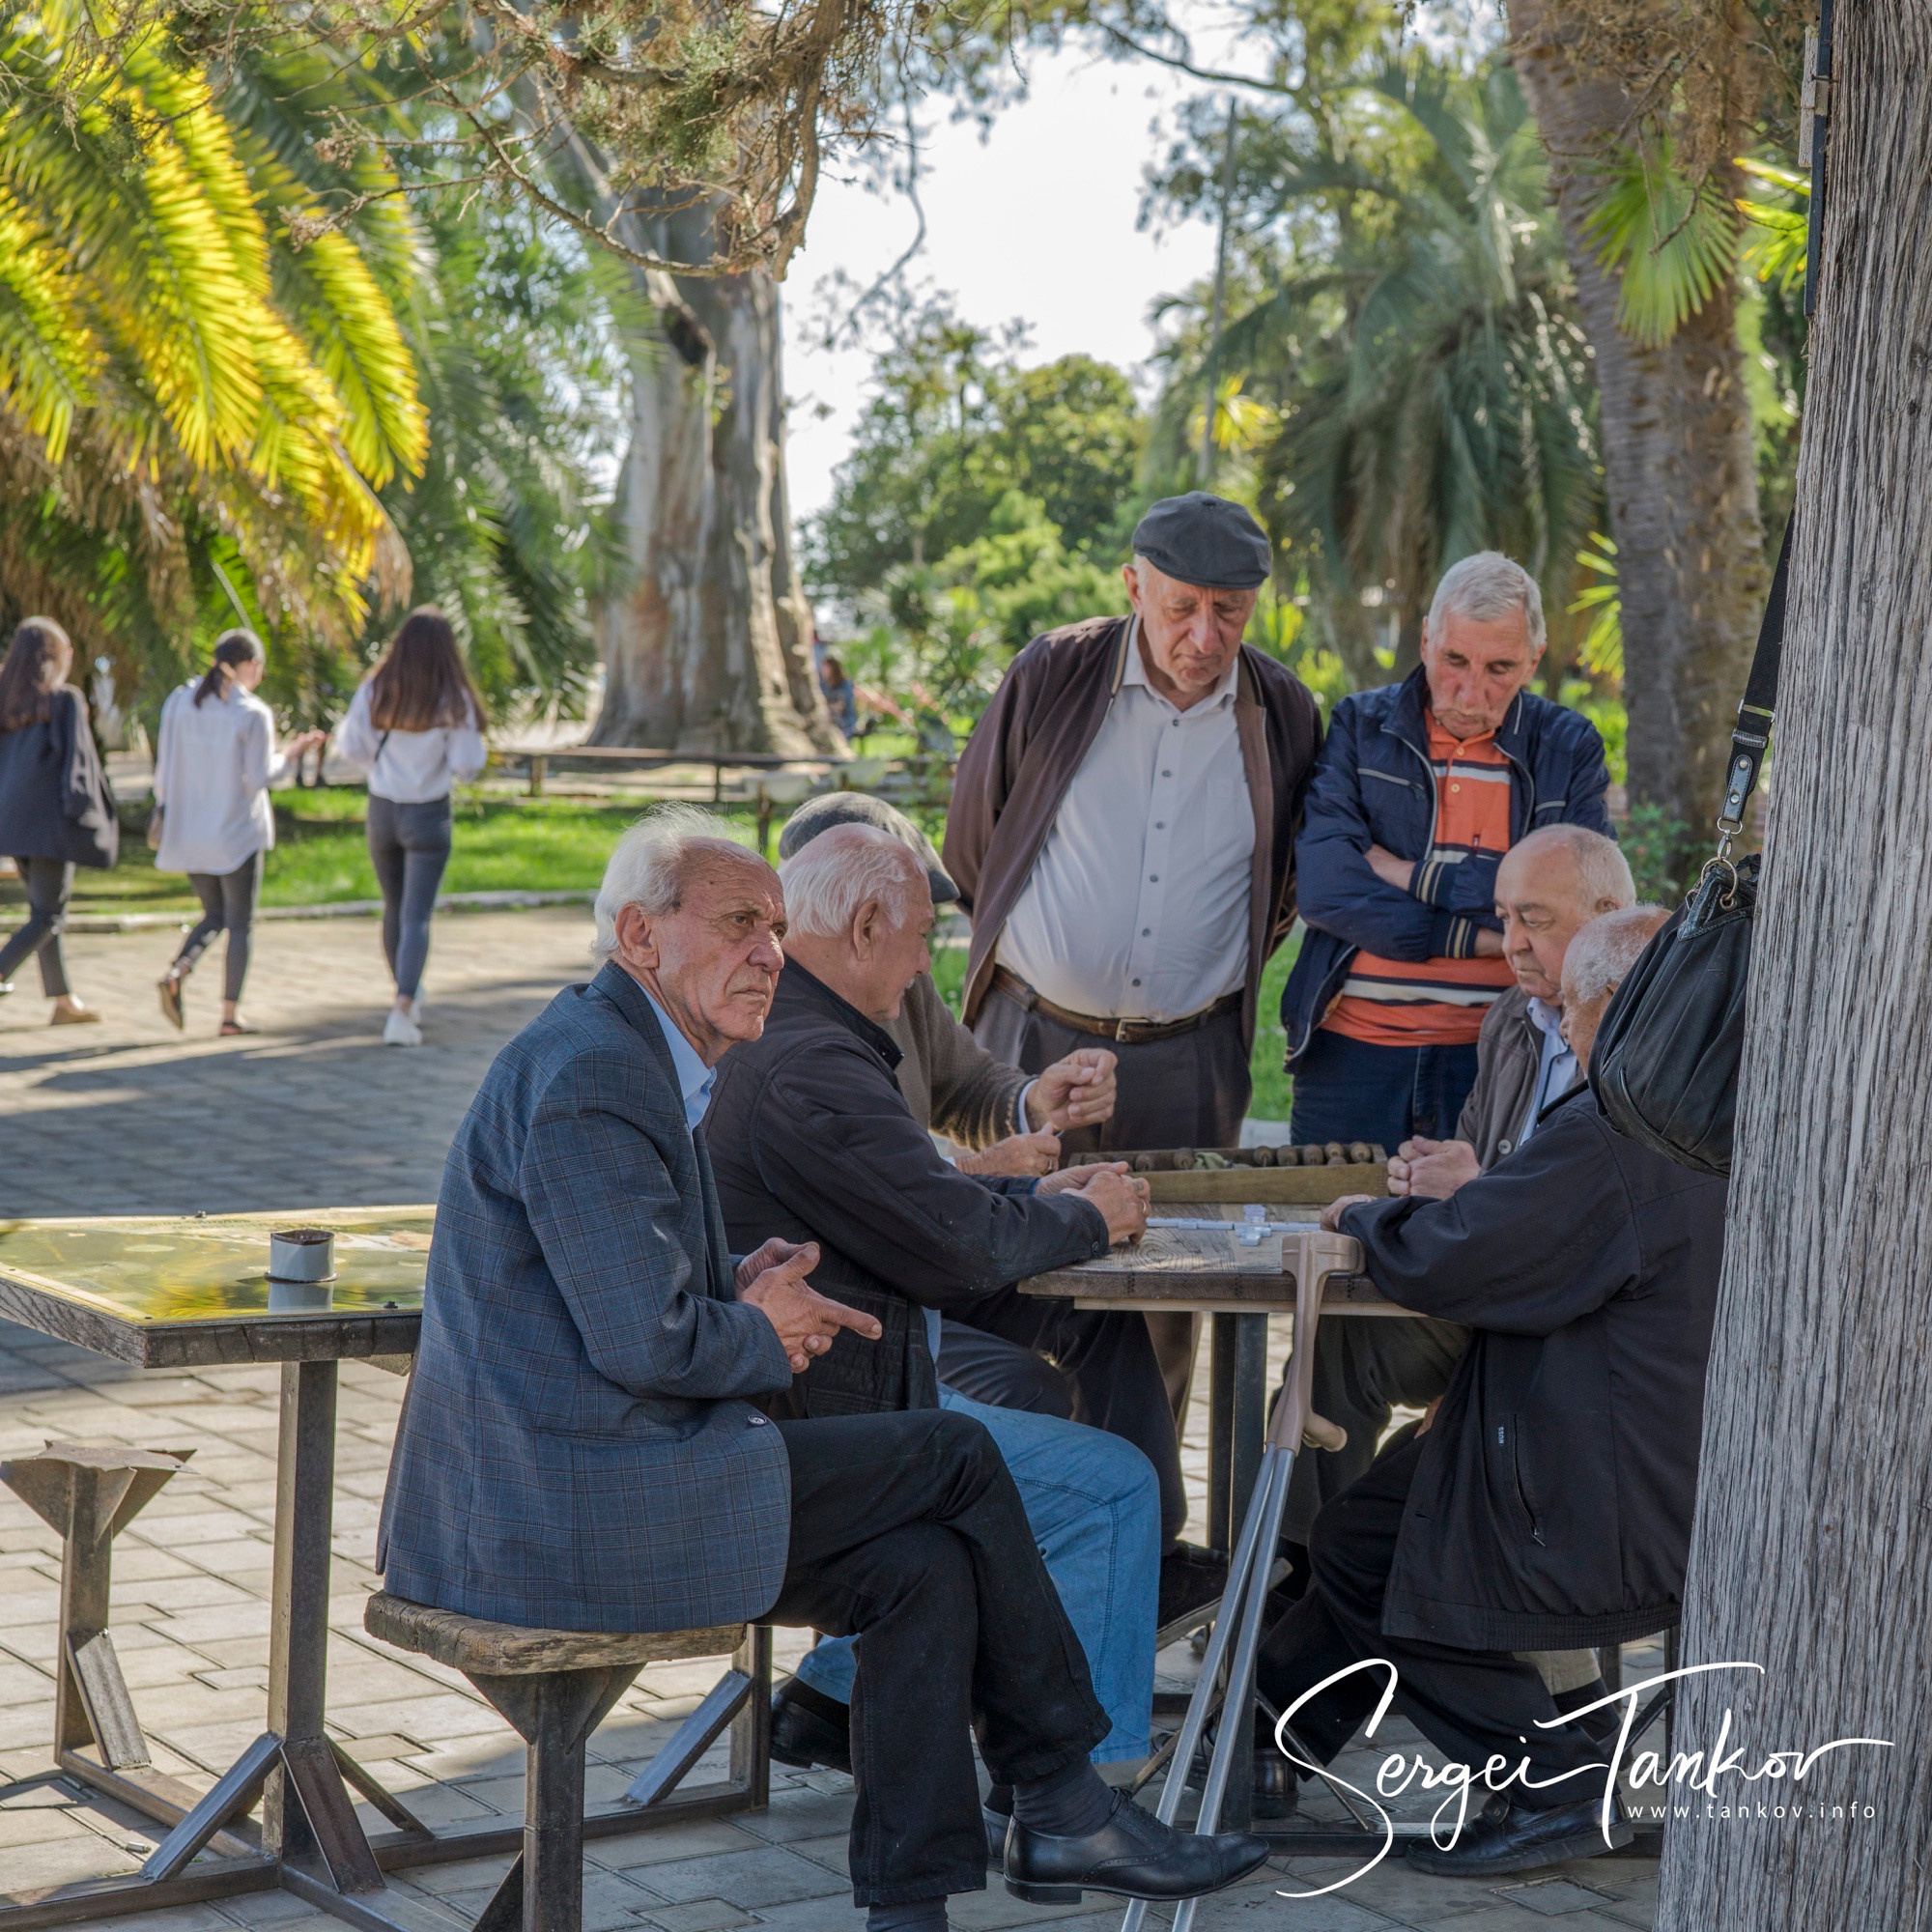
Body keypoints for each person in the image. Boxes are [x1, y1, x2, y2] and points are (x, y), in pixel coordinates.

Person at [378, 808, 1269, 1932]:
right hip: (553, 1517)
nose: (768, 949)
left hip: (598, 1479)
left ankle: (918, 1907)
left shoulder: (636, 1055)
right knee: (949, 1453)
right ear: (638, 937)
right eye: (740, 922)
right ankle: (1055, 1789)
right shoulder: (595, 1075)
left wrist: (742, 1278)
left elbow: (627, 1296)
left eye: (776, 923)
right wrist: (763, 1327)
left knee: (921, 1563)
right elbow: (646, 1343)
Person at [704, 825, 1179, 1800]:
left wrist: (1046, 1203)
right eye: (922, 936)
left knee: (1046, 1425)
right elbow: (949, 1240)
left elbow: (923, 1195)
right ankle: (1079, 1783)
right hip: (810, 1418)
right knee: (1107, 1486)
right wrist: (1078, 1215)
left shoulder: (809, 1030)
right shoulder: (808, 1058)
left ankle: (856, 1703)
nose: (929, 960)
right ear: (869, 924)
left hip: (835, 1390)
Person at [1251, 907, 1726, 1878]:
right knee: (1360, 1533)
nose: (1564, 1035)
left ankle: (1555, 1781)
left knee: (1396, 1562)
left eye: (1574, 1017)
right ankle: (1264, 1736)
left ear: (1616, 1008)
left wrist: (1369, 1216)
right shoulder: (1702, 1111)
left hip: (1596, 1489)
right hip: (1629, 1452)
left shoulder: (1625, 1127)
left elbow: (1456, 1253)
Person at [945, 492, 1324, 1418]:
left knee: (1168, 1302)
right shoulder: (1054, 673)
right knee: (996, 1272)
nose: (1204, 632)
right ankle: (998, 1502)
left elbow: (1277, 893)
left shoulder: (1282, 710)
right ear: (1133, 585)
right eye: (1181, 605)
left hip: (1186, 1061)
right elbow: (973, 844)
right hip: (1024, 1044)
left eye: (1228, 609)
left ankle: (1151, 1531)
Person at [1283, 824, 1641, 1544]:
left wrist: (1478, 1184)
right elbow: (1480, 1167)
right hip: (1497, 1292)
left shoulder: (1649, 1025)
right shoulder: (1513, 1015)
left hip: (1585, 1325)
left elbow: (1612, 1210)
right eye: (1502, 917)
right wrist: (1436, 1178)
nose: (1509, 942)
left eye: (1532, 919)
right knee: (1332, 1343)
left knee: (1411, 1480)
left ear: (1605, 913)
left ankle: (1360, 1575)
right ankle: (1285, 1580)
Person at [1280, 551, 1613, 1156]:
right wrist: (1496, 931)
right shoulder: (1361, 727)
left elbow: (1580, 913)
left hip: (1502, 1053)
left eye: (1500, 668)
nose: (1470, 690)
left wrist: (1408, 873)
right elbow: (1327, 890)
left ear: (1533, 661)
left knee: (1480, 1244)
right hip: (1352, 1054)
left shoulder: (1567, 747)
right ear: (1427, 638)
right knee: (1333, 1234)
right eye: (1454, 659)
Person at [777, 792, 1118, 1182]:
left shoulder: (903, 986)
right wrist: (978, 1170)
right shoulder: (766, 1012)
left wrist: (1037, 1102)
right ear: (862, 924)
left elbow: (964, 1086)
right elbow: (849, 1185)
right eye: (914, 926)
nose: (923, 962)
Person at [153, 630, 326, 1036]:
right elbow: (260, 777)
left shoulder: (179, 701)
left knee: (214, 914)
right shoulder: (251, 712)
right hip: (236, 833)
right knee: (240, 923)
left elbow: (163, 773)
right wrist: (294, 753)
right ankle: (229, 1015)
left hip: (189, 832)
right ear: (249, 665)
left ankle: (179, 969)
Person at [332, 608, 487, 1046]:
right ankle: (402, 1008)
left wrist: (382, 769)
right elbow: (467, 763)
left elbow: (351, 745)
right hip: (429, 815)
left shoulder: (377, 687)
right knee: (417, 914)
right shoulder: (452, 697)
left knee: (393, 907)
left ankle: (406, 992)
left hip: (382, 810)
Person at [0, 617, 118, 1023]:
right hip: (50, 823)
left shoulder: (5, 702)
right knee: (49, 915)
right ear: (54, 658)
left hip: (11, 823)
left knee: (42, 911)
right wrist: (85, 816)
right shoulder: (64, 700)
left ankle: (64, 1001)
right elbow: (79, 766)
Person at [818, 651, 858, 736]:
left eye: (827, 667)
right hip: (829, 721)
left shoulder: (845, 684)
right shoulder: (823, 684)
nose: (823, 670)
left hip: (845, 722)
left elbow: (844, 704)